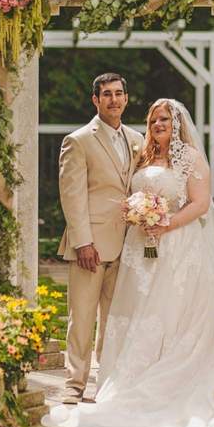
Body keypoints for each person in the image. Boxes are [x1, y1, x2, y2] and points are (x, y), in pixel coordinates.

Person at [44, 98, 214, 427]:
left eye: (165, 119)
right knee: (135, 311)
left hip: (177, 248)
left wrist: (165, 223)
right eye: (153, 119)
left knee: (171, 311)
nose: (158, 125)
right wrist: (139, 214)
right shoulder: (143, 154)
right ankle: (123, 376)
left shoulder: (191, 159)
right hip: (138, 249)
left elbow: (200, 204)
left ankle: (170, 376)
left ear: (178, 123)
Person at [56, 73, 143, 404]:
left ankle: (105, 380)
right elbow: (72, 194)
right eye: (106, 94)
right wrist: (82, 242)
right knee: (81, 316)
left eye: (119, 93)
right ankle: (73, 383)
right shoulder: (78, 140)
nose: (114, 100)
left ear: (126, 97)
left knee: (114, 318)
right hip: (90, 245)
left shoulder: (136, 139)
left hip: (128, 243)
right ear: (95, 100)